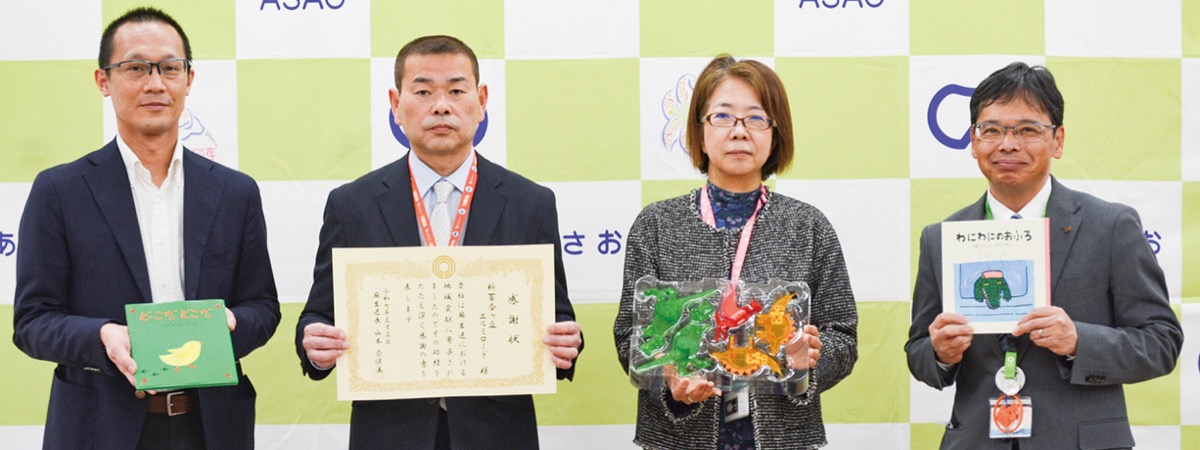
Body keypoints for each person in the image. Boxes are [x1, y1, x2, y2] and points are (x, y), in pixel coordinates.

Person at [295, 35, 583, 449]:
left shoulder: (530, 203)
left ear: (482, 101)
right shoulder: (352, 205)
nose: (442, 106)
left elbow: (557, 315)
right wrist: (315, 343)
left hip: (497, 433)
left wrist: (566, 343)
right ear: (395, 104)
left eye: (457, 91)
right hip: (391, 433)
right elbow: (318, 314)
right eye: (424, 91)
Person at [12, 7, 281, 449]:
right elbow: (33, 321)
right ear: (103, 81)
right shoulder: (60, 191)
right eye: (136, 68)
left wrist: (230, 323)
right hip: (99, 427)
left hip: (210, 428)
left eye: (170, 68)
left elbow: (263, 307)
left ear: (188, 80)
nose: (155, 83)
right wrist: (102, 335)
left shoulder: (235, 193)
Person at [905, 62, 1183, 449]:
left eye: (1027, 130)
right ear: (973, 141)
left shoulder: (1111, 226)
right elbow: (919, 352)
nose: (1008, 144)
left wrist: (1078, 341)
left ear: (1058, 140)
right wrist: (940, 353)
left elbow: (1161, 342)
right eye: (992, 130)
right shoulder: (942, 238)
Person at [613, 55, 858, 450]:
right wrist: (670, 380)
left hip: (784, 437)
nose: (740, 131)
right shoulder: (657, 225)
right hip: (679, 439)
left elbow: (843, 335)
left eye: (756, 118)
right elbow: (630, 335)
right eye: (723, 117)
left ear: (776, 134)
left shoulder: (808, 226)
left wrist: (809, 357)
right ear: (699, 132)